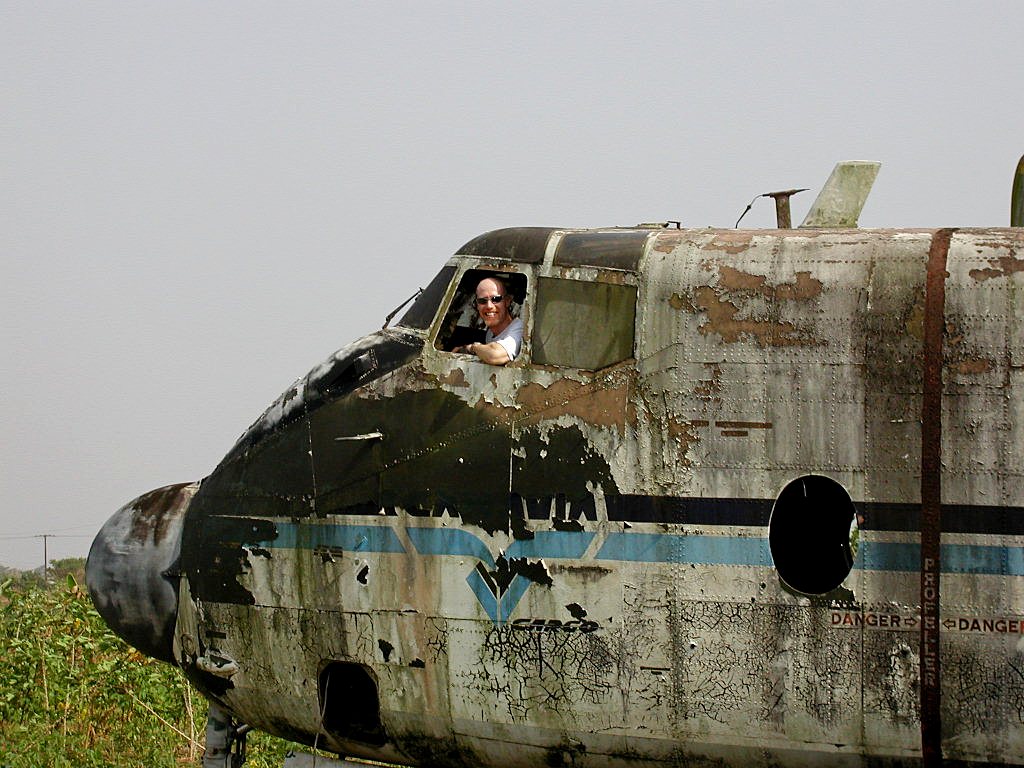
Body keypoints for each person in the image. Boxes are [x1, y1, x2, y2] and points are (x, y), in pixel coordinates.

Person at [453, 276, 522, 365]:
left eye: (496, 299)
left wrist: (473, 347)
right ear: (477, 305)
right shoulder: (490, 333)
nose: (489, 306)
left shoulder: (519, 329)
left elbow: (494, 355)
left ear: (507, 301)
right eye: (482, 301)